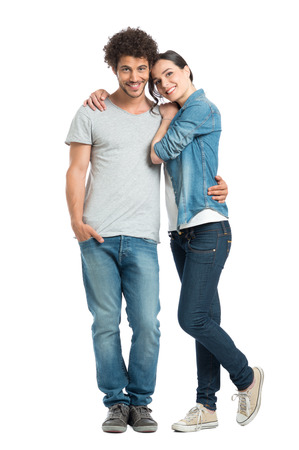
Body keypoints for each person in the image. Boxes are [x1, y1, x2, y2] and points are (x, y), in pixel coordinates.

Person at [66, 27, 228, 434]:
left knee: (148, 324)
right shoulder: (92, 110)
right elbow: (76, 170)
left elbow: (195, 159)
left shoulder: (167, 112)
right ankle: (115, 403)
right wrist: (76, 222)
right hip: (97, 236)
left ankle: (141, 402)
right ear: (113, 69)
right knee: (105, 324)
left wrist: (221, 186)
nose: (136, 78)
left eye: (144, 70)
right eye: (127, 69)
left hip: (144, 238)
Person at [148, 50, 264, 432]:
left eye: (169, 74)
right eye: (158, 82)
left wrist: (165, 119)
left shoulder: (200, 109)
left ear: (186, 70)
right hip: (181, 232)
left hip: (207, 227)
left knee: (191, 318)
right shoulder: (178, 113)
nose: (165, 84)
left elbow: (159, 153)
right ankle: (206, 405)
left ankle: (246, 376)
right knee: (206, 319)